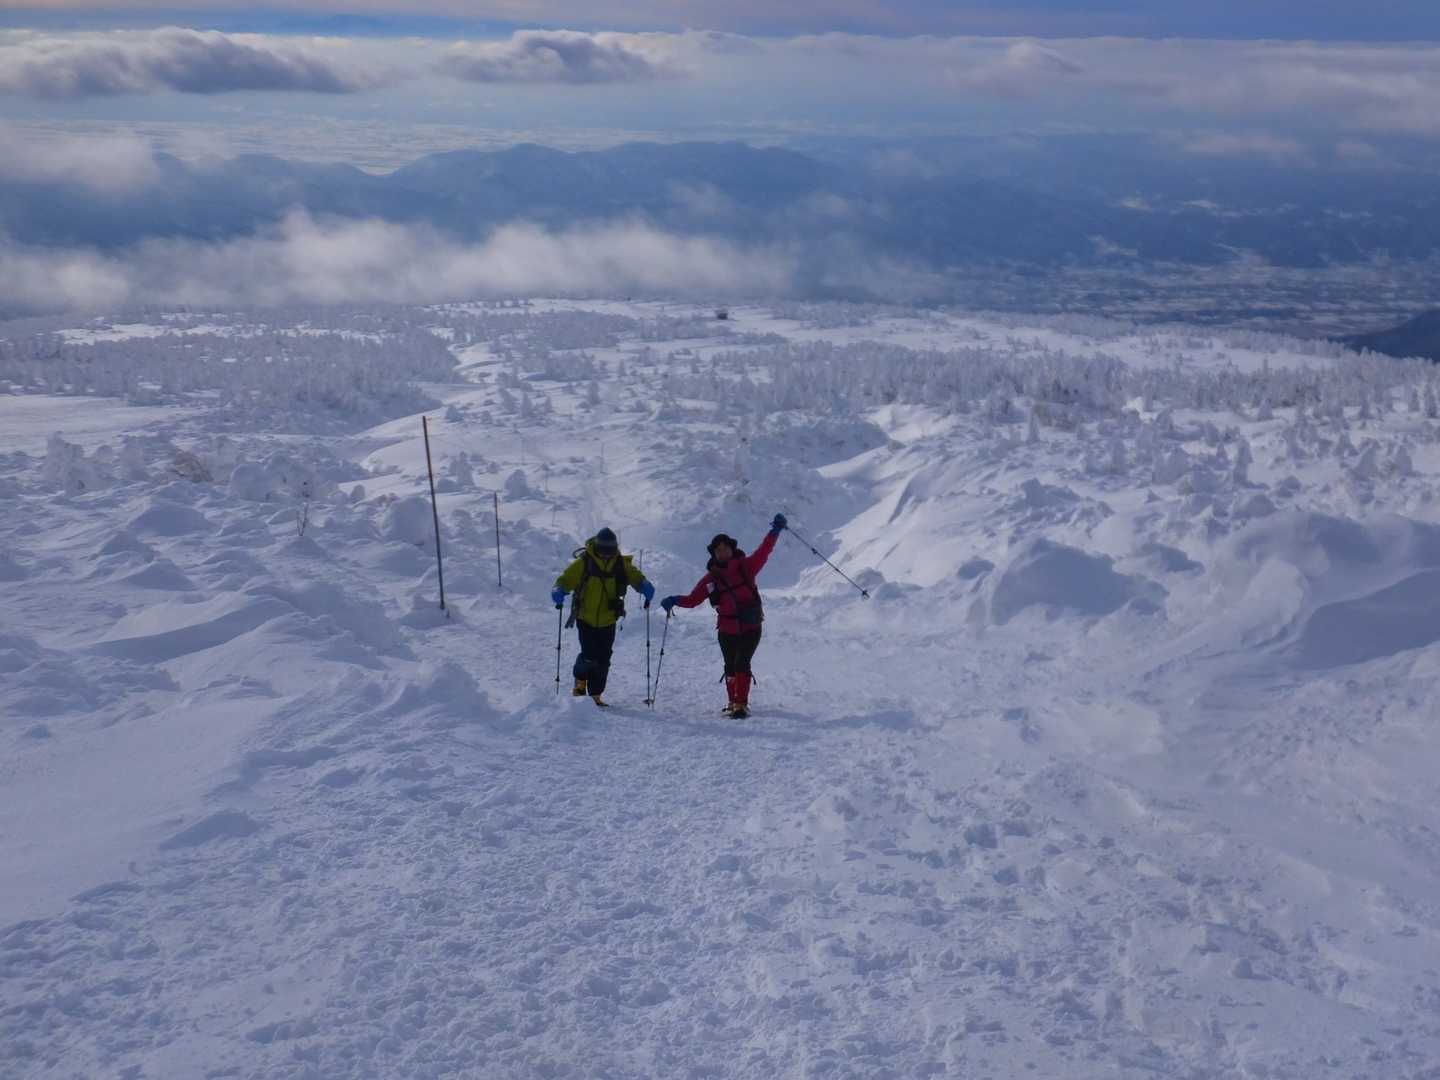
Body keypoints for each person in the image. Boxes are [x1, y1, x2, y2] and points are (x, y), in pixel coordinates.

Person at [661, 513, 786, 719]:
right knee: (730, 666)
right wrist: (674, 600)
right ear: (714, 554)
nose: (722, 552)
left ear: (732, 549)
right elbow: (693, 600)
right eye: (718, 550)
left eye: (725, 548)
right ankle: (732, 701)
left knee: (741, 662)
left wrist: (774, 532)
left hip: (750, 626)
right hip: (726, 629)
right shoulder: (711, 579)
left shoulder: (746, 567)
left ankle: (741, 704)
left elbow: (764, 552)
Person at [552, 527, 654, 708]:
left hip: (609, 619)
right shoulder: (585, 562)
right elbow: (566, 579)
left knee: (604, 659)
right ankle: (580, 682)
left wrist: (643, 584)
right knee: (590, 655)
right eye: (604, 551)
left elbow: (635, 576)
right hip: (585, 617)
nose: (607, 555)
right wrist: (559, 589)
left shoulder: (620, 563)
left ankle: (595, 695)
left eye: (610, 551)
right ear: (597, 548)